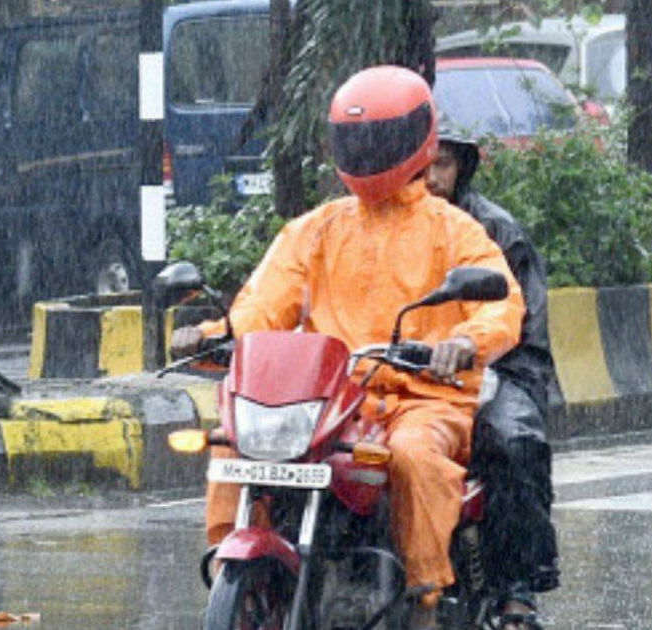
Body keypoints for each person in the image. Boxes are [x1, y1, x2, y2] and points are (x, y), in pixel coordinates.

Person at [171, 66, 525, 630]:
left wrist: (463, 340)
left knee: (412, 457)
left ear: (414, 138)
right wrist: (220, 333)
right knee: (233, 443)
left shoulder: (453, 230)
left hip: (422, 398)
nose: (365, 151)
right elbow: (263, 304)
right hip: (329, 404)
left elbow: (501, 302)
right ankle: (237, 573)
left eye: (378, 139)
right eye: (355, 139)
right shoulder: (313, 230)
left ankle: (424, 596)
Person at [426, 126, 559, 629]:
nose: (432, 178)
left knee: (511, 440)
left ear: (463, 168)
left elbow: (518, 324)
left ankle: (518, 590)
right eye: (423, 166)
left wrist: (472, 349)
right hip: (412, 370)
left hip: (502, 365)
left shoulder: (495, 230)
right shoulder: (387, 224)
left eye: (443, 165)